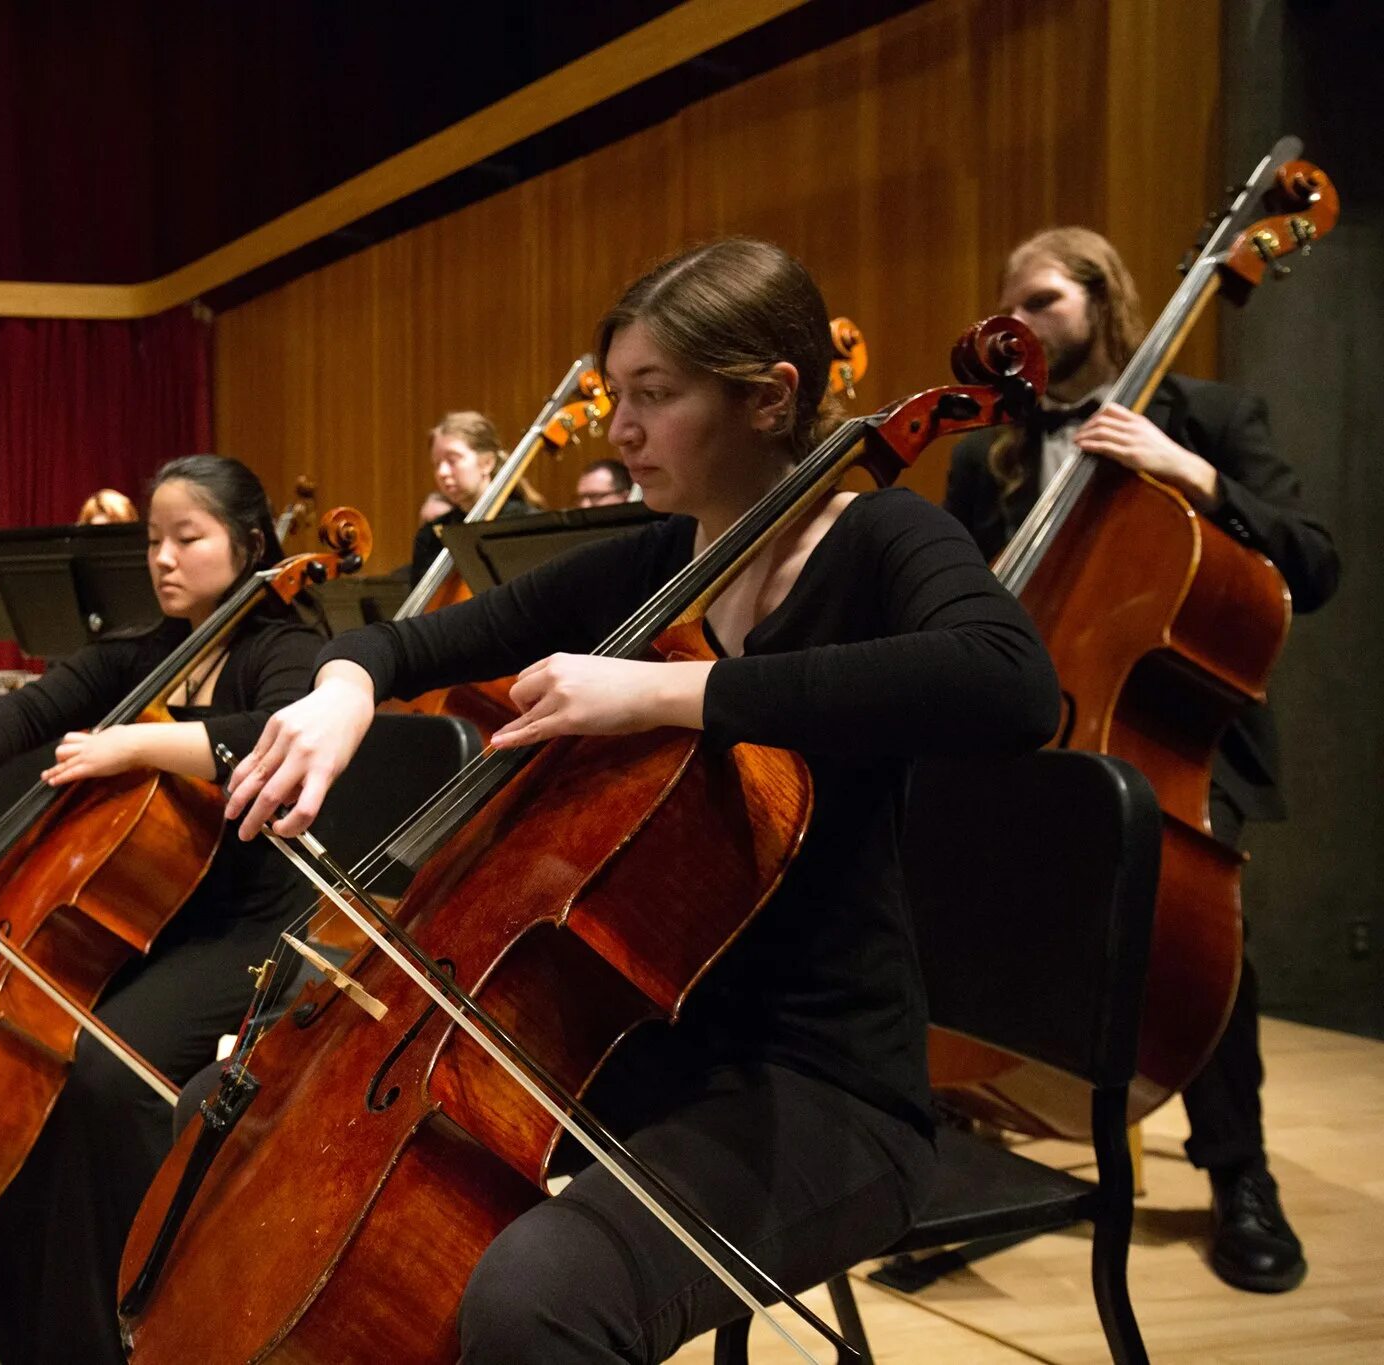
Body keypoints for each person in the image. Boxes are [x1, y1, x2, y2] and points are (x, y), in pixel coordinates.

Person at [221, 238, 1060, 1363]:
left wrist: (668, 692)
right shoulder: (652, 566)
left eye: (653, 397)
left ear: (769, 398)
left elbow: (1009, 686)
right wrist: (341, 688)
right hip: (618, 1058)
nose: (620, 429)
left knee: (534, 1300)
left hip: (818, 1091)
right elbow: (410, 640)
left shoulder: (881, 540)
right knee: (240, 1140)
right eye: (618, 395)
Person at [0, 456, 322, 1363]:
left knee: (104, 1068)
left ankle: (108, 1324)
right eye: (154, 541)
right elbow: (35, 704)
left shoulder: (284, 649)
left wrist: (133, 742)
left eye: (189, 538)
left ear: (252, 544)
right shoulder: (153, 649)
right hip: (144, 920)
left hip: (250, 925)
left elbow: (266, 736)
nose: (164, 560)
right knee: (25, 1047)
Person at [944, 226, 1339, 1295]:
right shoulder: (984, 456)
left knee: (1190, 936)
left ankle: (1237, 1176)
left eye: (1043, 301)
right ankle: (974, 1138)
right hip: (1034, 726)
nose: (1018, 324)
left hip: (1174, 731)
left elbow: (1312, 562)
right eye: (1009, 305)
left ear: (1102, 302)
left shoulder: (1206, 417)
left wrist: (1186, 473)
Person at [408, 411, 536, 581]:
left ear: (487, 463)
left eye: (452, 460)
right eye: (436, 464)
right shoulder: (431, 536)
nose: (442, 472)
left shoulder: (528, 524)